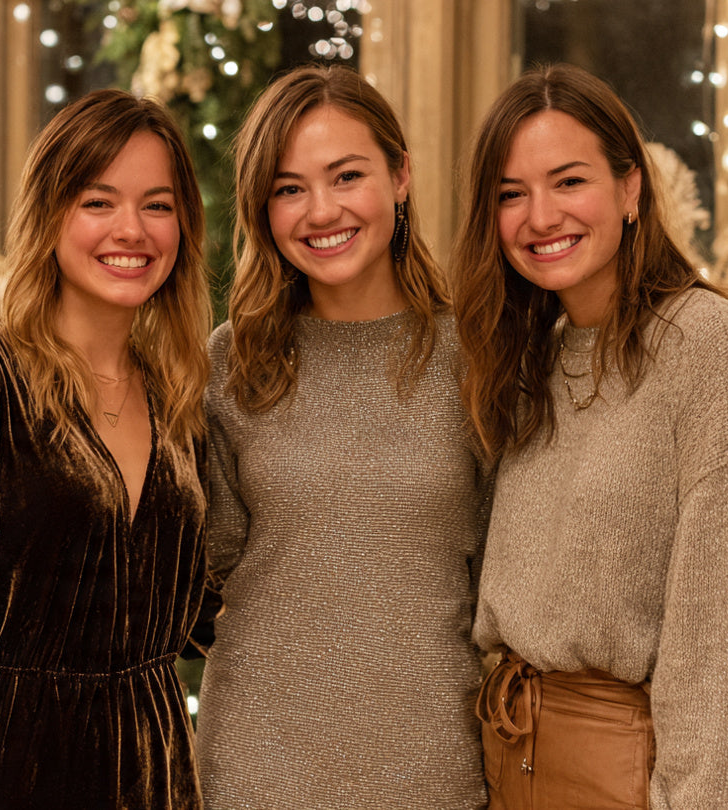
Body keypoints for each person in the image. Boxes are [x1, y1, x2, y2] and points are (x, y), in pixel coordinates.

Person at [453, 63, 728, 809]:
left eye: (569, 182)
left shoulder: (701, 342)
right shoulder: (524, 356)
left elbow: (721, 644)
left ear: (631, 190)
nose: (540, 216)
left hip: (623, 776)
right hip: (507, 761)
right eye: (510, 194)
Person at [0, 88, 212, 809]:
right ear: (50, 214)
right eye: (98, 202)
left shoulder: (183, 399)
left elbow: (218, 611)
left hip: (161, 782)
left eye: (157, 205)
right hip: (14, 781)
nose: (132, 229)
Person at [195, 64, 489, 809]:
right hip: (254, 770)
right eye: (288, 188)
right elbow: (201, 569)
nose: (321, 210)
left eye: (347, 175)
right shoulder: (232, 364)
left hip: (437, 773)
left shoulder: (476, 359)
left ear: (400, 176)